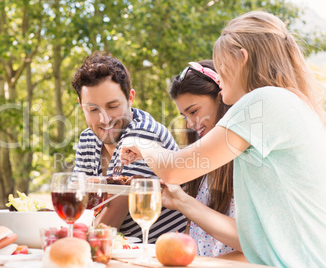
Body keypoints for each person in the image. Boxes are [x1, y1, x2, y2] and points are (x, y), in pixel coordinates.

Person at [120, 11, 326, 267]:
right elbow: (256, 238)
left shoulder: (266, 101)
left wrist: (142, 143)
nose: (219, 74)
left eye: (221, 61)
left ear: (242, 57)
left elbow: (174, 169)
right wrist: (182, 201)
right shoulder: (293, 103)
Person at [71, 51, 187, 243]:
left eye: (112, 106)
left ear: (130, 98)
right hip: (116, 255)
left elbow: (108, 225)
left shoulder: (143, 134)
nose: (104, 119)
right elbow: (78, 208)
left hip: (159, 255)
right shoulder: (87, 139)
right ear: (81, 106)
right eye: (92, 109)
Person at [162, 59, 238, 257]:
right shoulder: (202, 165)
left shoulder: (244, 159)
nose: (189, 123)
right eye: (184, 115)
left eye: (194, 111)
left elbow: (254, 243)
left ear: (221, 98)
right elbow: (193, 229)